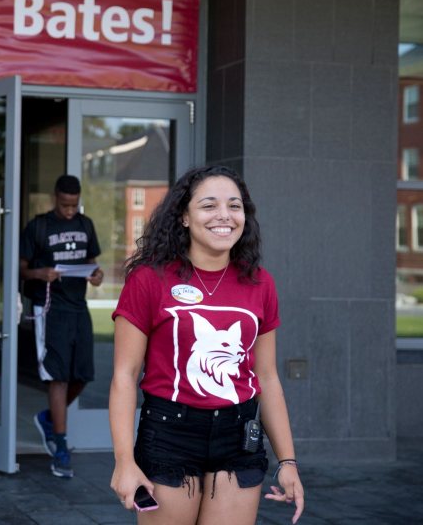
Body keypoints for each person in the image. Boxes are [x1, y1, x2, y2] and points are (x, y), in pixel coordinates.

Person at [108, 165, 304, 524]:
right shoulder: (149, 280)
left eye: (234, 206)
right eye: (209, 205)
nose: (224, 216)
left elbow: (267, 377)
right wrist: (124, 461)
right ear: (183, 216)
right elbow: (125, 375)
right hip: (169, 435)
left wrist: (287, 461)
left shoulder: (260, 283)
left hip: (238, 435)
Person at [20, 174, 103, 478]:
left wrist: (96, 275)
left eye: (74, 205)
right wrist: (41, 273)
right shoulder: (39, 226)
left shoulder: (85, 224)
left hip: (78, 307)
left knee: (83, 373)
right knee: (58, 376)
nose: (70, 211)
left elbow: (93, 264)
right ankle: (61, 445)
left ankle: (48, 419)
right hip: (50, 308)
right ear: (56, 197)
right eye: (65, 205)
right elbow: (22, 270)